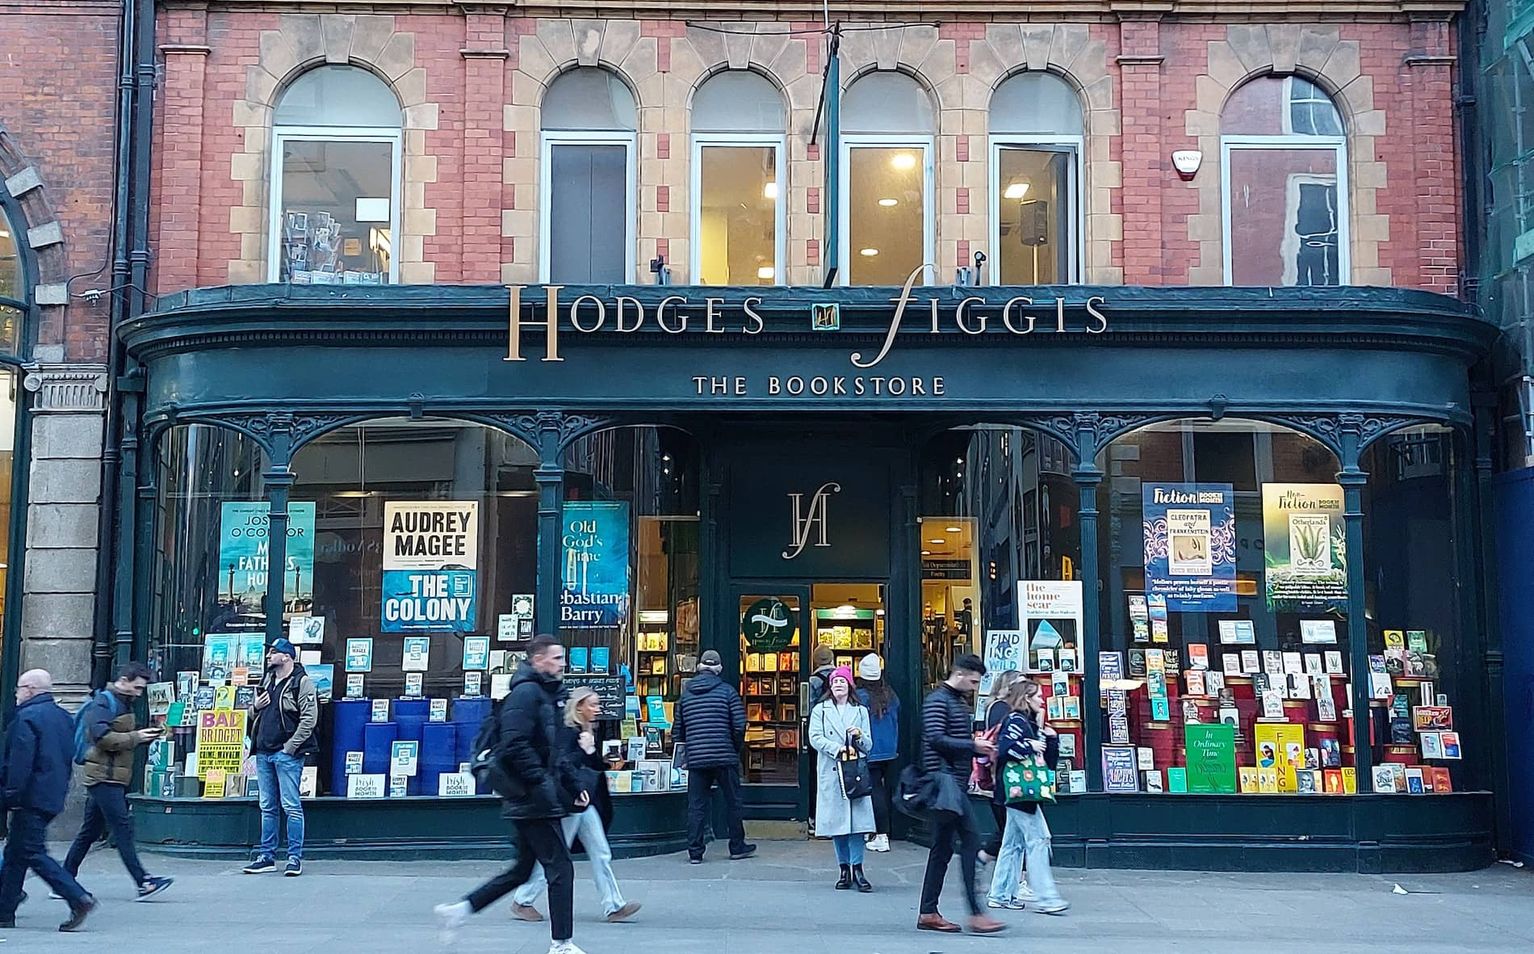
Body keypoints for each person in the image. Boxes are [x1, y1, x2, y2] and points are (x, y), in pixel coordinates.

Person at [436, 636, 585, 954]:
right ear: (538, 660)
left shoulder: (547, 695)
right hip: (530, 797)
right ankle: (561, 944)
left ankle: (460, 910)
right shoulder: (526, 694)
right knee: (560, 867)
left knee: (521, 870)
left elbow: (554, 750)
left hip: (532, 794)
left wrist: (573, 785)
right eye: (557, 658)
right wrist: (541, 784)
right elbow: (515, 743)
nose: (562, 664)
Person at [509, 686, 642, 924]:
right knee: (557, 853)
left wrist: (591, 751)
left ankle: (613, 906)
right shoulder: (568, 732)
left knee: (600, 852)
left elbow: (591, 766)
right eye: (593, 704)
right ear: (579, 706)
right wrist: (582, 767)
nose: (597, 709)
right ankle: (523, 899)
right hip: (571, 801)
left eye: (598, 704)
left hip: (584, 801)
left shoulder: (586, 731)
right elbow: (564, 764)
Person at [62, 661, 175, 900]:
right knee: (122, 829)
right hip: (105, 777)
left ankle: (64, 879)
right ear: (123, 681)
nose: (139, 693)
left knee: (89, 832)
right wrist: (136, 737)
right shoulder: (104, 702)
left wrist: (142, 736)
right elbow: (101, 737)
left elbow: (117, 736)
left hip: (110, 776)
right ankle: (144, 882)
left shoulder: (122, 702)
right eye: (136, 687)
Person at [0, 669, 97, 932]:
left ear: (30, 689)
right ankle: (4, 911)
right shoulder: (63, 717)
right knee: (16, 854)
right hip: (51, 794)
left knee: (32, 852)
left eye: (19, 688)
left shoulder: (27, 717)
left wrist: (10, 796)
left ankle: (78, 897)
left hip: (29, 796)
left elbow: (20, 762)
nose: (17, 694)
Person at [917, 654, 1005, 935]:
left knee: (942, 848)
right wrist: (973, 745)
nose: (975, 687)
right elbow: (935, 738)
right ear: (961, 674)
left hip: (952, 784)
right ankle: (976, 913)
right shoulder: (938, 700)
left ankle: (928, 911)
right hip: (945, 785)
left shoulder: (953, 701)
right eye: (974, 681)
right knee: (971, 841)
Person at [987, 679, 1069, 915]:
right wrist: (1029, 745)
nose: (1042, 700)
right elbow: (1005, 749)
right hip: (1019, 792)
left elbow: (1048, 764)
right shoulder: (1016, 721)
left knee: (1012, 843)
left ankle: (1000, 894)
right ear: (1026, 699)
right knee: (1039, 839)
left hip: (1019, 792)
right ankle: (1047, 897)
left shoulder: (1031, 724)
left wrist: (1051, 739)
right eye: (1038, 697)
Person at [243, 638, 318, 876]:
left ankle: (294, 857)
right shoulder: (267, 681)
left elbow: (309, 719)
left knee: (291, 806)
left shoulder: (301, 682)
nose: (268, 656)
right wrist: (255, 706)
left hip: (286, 754)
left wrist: (290, 747)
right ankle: (267, 856)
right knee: (267, 806)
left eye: (273, 652)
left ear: (286, 656)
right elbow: (253, 714)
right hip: (264, 752)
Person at [673, 649, 755, 864]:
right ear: (718, 668)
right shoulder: (727, 692)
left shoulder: (686, 694)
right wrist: (734, 748)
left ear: (700, 667)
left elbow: (677, 730)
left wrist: (686, 752)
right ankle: (737, 846)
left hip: (697, 758)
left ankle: (695, 851)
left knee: (696, 805)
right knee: (733, 802)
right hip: (724, 756)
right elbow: (739, 725)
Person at [809, 666, 874, 891]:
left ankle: (858, 868)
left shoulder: (861, 711)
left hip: (855, 772)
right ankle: (843, 868)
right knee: (838, 823)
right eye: (835, 681)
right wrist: (837, 749)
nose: (838, 685)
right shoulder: (821, 710)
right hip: (832, 771)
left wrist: (859, 737)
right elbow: (814, 737)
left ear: (849, 686)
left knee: (858, 823)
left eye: (842, 682)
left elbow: (869, 745)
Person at [854, 653, 899, 852]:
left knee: (873, 791)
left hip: (870, 750)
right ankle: (879, 831)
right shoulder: (890, 695)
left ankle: (881, 834)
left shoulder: (861, 697)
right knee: (883, 789)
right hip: (889, 749)